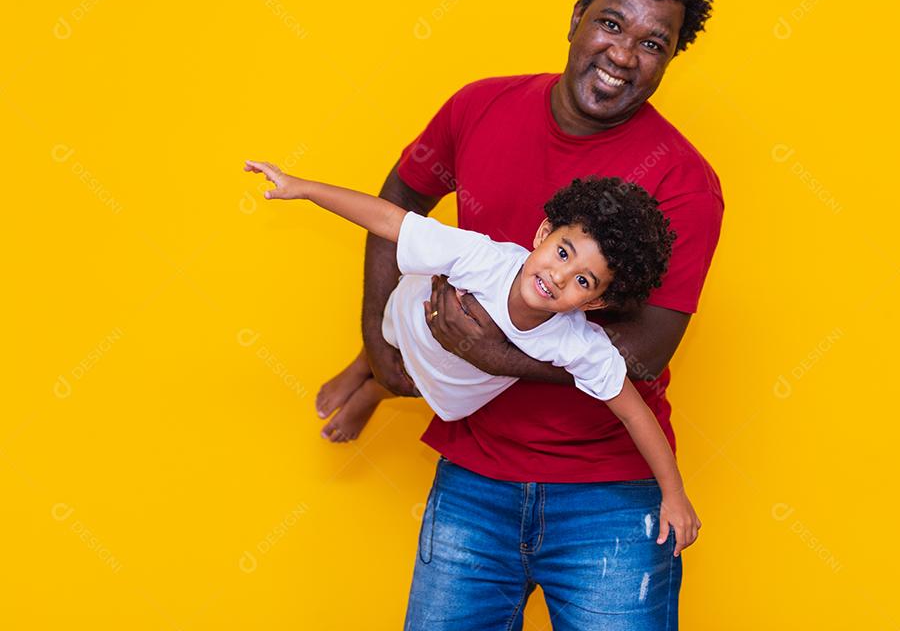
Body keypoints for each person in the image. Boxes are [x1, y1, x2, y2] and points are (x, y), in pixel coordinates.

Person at [322, 0, 723, 629]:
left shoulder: (684, 180)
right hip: (474, 478)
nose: (624, 54)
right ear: (576, 18)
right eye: (610, 23)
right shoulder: (479, 108)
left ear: (669, 61)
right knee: (420, 303)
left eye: (653, 44)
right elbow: (399, 202)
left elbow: (646, 351)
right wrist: (379, 343)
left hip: (611, 498)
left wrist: (491, 353)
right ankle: (372, 375)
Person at [244, 161, 701, 555]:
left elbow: (635, 414)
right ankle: (366, 363)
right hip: (417, 319)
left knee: (416, 383)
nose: (559, 276)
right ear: (543, 233)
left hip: (452, 382)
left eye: (584, 281)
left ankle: (377, 391)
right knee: (393, 337)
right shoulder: (481, 258)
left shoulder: (579, 344)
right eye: (562, 252)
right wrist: (302, 188)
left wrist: (673, 493)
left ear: (596, 303)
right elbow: (390, 219)